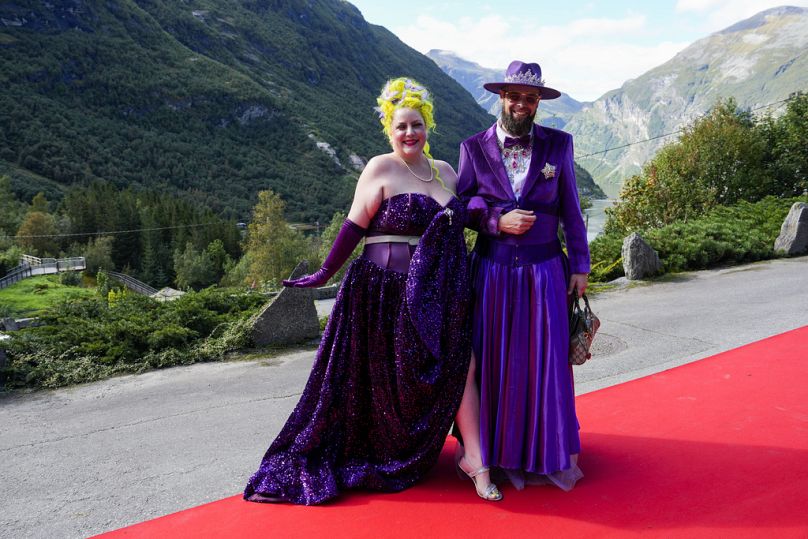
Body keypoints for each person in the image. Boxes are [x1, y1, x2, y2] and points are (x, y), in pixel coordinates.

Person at [244, 77, 501, 505]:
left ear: (427, 126)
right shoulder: (380, 168)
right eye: (401, 126)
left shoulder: (447, 174)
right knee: (382, 379)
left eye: (416, 125)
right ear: (389, 129)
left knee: (463, 364)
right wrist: (325, 271)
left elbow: (464, 226)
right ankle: (385, 449)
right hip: (382, 293)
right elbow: (352, 226)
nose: (409, 134)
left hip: (438, 294)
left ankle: (476, 459)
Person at [456, 60, 591, 491]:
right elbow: (463, 207)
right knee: (494, 361)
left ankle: (544, 450)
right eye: (514, 96)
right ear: (501, 97)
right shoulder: (473, 148)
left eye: (530, 98)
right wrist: (496, 221)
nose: (521, 104)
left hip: (547, 270)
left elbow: (571, 207)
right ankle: (491, 452)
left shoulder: (559, 145)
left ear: (538, 103)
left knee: (545, 361)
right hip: (492, 271)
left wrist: (581, 264)